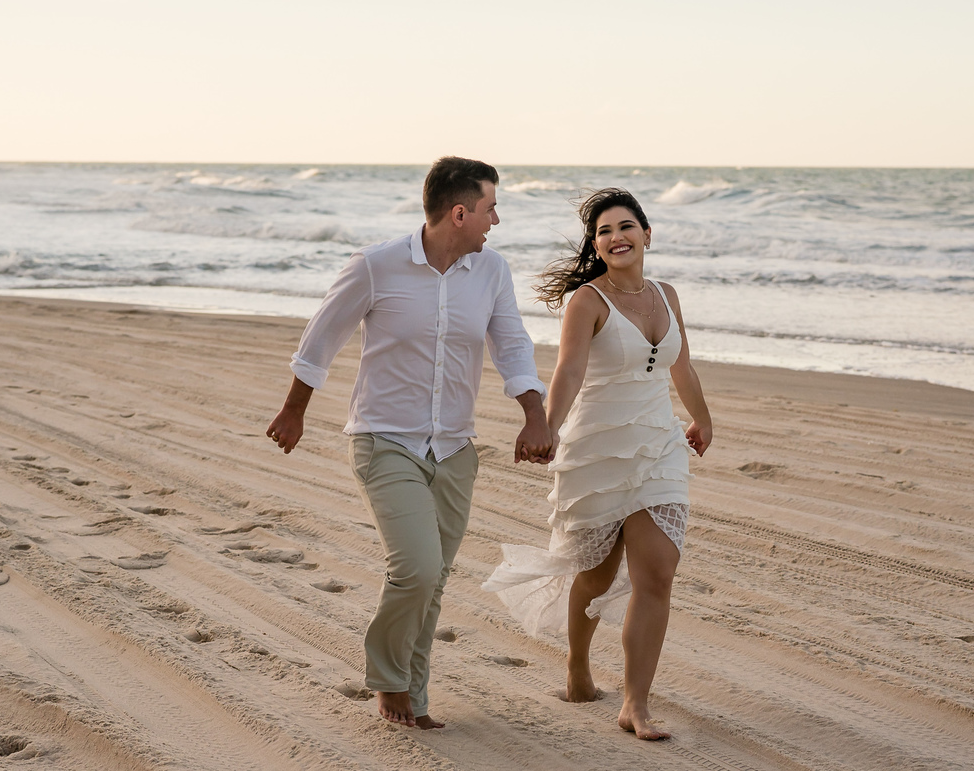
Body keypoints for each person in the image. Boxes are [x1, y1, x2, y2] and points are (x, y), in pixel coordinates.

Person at [267, 157, 552, 730]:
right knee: (417, 569)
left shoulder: (491, 270)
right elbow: (321, 337)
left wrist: (535, 415)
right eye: (491, 208)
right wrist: (294, 410)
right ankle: (389, 678)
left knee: (435, 579)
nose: (497, 220)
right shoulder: (376, 265)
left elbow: (512, 344)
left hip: (454, 449)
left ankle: (414, 698)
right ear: (460, 213)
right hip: (385, 440)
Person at [483, 187, 712, 740]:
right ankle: (578, 666)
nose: (616, 237)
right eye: (604, 231)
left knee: (657, 573)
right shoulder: (587, 301)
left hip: (657, 445)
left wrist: (702, 418)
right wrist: (548, 426)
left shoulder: (667, 294)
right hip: (597, 450)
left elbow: (680, 365)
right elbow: (569, 372)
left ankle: (636, 703)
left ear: (647, 234)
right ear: (596, 245)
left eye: (626, 226)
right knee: (596, 574)